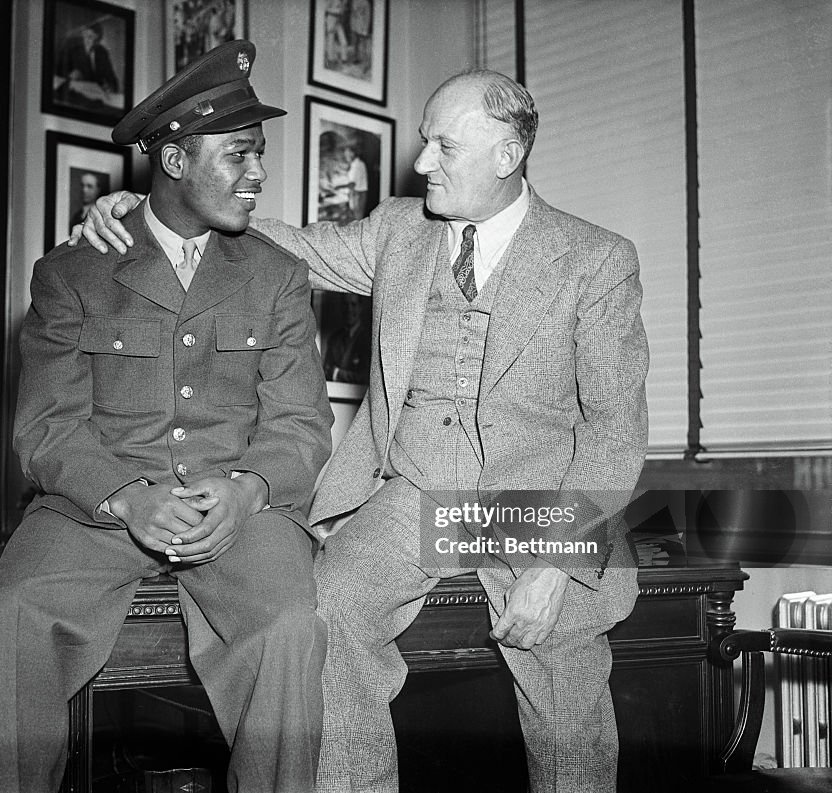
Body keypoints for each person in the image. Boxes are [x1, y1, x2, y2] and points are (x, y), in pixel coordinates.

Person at [77, 69, 649, 793]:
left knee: (563, 661)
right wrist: (157, 207)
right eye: (424, 141)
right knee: (327, 614)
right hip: (416, 497)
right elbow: (283, 242)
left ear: (507, 156)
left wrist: (553, 565)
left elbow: (614, 430)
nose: (422, 162)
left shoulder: (596, 259)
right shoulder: (399, 230)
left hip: (534, 503)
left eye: (444, 147)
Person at [0, 40, 333, 793]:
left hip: (236, 510)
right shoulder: (73, 272)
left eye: (259, 154)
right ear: (173, 161)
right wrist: (129, 498)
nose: (259, 174)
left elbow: (300, 423)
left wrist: (248, 491)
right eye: (238, 155)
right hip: (96, 508)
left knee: (291, 624)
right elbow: (47, 428)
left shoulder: (277, 274)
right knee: (16, 613)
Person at [54, 22, 119, 107]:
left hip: (97, 97)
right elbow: (58, 71)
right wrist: (69, 75)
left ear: (98, 39)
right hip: (77, 95)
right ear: (83, 35)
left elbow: (111, 77)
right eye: (87, 36)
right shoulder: (73, 50)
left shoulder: (102, 52)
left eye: (93, 38)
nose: (89, 40)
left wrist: (111, 87)